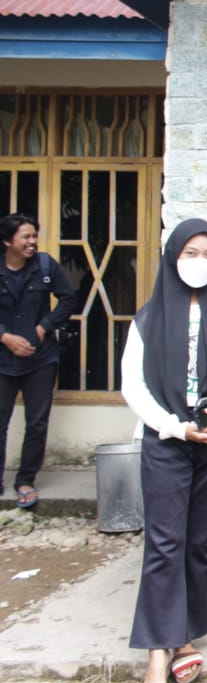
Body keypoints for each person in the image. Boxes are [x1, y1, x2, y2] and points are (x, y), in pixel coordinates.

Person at [122, 218, 207, 683]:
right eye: (191, 253)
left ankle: (186, 635)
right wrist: (175, 427)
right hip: (165, 442)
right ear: (173, 258)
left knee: (197, 542)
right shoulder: (148, 318)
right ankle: (160, 648)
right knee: (164, 543)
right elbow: (133, 386)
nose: (201, 262)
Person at [0, 213, 75, 508]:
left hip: (41, 359)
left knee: (37, 423)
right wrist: (5, 337)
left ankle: (26, 481)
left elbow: (68, 300)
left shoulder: (45, 266)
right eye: (26, 237)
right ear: (8, 241)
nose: (32, 242)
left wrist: (43, 328)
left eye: (34, 236)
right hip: (3, 359)